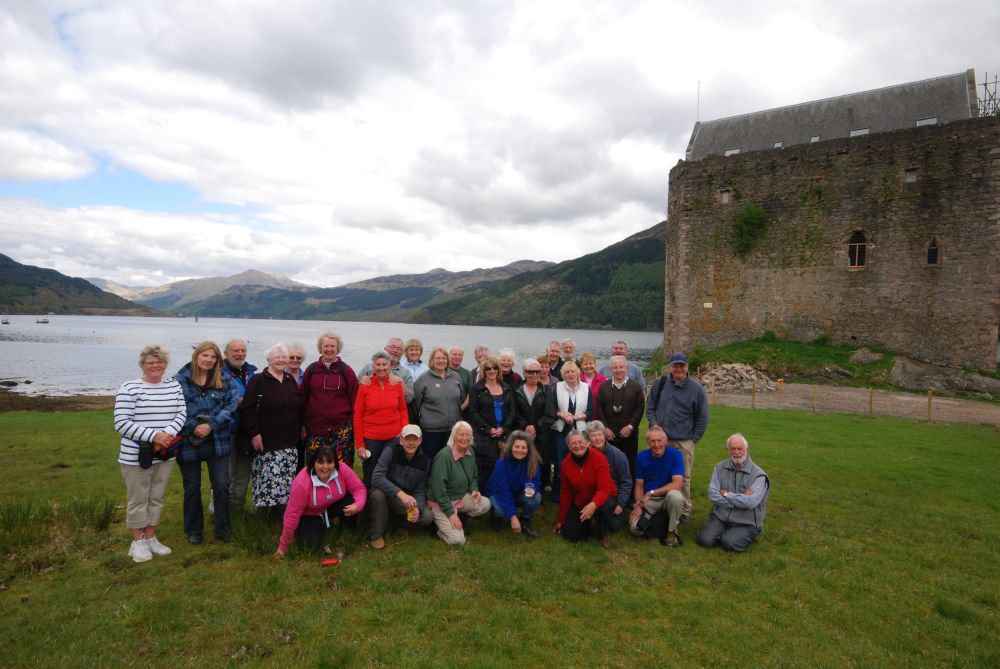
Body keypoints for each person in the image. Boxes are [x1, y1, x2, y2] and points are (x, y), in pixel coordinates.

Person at [114, 344, 186, 562]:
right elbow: (121, 423)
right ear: (143, 365)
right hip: (135, 456)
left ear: (165, 364)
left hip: (165, 454)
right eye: (150, 362)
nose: (155, 365)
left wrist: (167, 435)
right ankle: (138, 542)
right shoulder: (129, 388)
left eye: (159, 362)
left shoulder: (174, 386)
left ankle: (151, 537)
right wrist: (153, 436)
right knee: (138, 499)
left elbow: (181, 413)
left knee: (156, 497)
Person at [174, 341, 239, 545]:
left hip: (218, 438)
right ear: (196, 356)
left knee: (221, 485)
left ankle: (222, 528)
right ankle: (194, 529)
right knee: (192, 486)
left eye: (213, 357)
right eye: (205, 356)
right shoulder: (179, 380)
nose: (209, 360)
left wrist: (212, 425)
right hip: (188, 439)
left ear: (218, 360)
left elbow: (231, 405)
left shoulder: (224, 379)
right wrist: (194, 426)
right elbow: (175, 408)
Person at [240, 344, 303, 517]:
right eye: (277, 357)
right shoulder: (258, 380)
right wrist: (254, 433)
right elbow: (248, 409)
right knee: (267, 480)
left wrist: (302, 426)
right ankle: (262, 518)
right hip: (267, 440)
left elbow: (298, 406)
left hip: (289, 441)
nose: (281, 360)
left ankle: (281, 514)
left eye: (284, 357)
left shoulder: (290, 380)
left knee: (285, 479)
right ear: (269, 360)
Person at [645, 351, 709, 521]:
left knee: (683, 477)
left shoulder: (697, 389)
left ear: (687, 367)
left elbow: (702, 417)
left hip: (683, 441)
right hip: (660, 441)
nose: (679, 369)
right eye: (675, 365)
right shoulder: (661, 383)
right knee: (659, 473)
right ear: (670, 367)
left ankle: (684, 511)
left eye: (682, 365)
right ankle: (661, 505)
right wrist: (653, 425)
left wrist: (692, 440)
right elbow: (650, 407)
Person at [274, 443, 366, 557]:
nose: (325, 467)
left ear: (335, 463)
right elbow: (292, 514)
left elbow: (359, 489)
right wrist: (283, 547)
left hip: (330, 506)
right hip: (309, 513)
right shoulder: (301, 483)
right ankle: (301, 530)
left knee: (351, 500)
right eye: (320, 462)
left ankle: (348, 531)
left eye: (329, 462)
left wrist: (358, 505)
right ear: (313, 463)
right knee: (311, 547)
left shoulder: (342, 469)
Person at [697, 433, 770, 553]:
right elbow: (713, 495)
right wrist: (741, 499)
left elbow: (750, 503)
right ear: (728, 450)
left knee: (728, 543)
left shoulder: (759, 476)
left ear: (747, 449)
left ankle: (745, 535)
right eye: (733, 449)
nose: (736, 452)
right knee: (705, 540)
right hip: (721, 517)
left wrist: (726, 494)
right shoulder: (719, 467)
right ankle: (725, 533)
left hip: (746, 522)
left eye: (739, 448)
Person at [368, 424, 434, 550]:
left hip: (404, 500)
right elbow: (376, 477)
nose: (411, 443)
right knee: (377, 495)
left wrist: (418, 508)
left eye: (414, 439)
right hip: (386, 493)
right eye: (407, 439)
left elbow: (420, 489)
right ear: (401, 440)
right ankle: (376, 535)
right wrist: (400, 493)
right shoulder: (390, 451)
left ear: (420, 441)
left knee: (427, 517)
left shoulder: (425, 461)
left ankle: (394, 523)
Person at [427, 421, 492, 545]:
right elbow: (438, 490)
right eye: (461, 434)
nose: (465, 438)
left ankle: (459, 519)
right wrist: (451, 513)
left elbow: (473, 476)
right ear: (453, 436)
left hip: (459, 498)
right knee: (458, 541)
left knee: (485, 504)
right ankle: (440, 530)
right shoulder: (444, 456)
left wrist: (474, 490)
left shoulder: (470, 452)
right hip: (441, 502)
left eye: (468, 435)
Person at [301, 332, 359, 466]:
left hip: (341, 428)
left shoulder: (346, 371)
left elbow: (354, 399)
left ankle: (342, 488)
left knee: (342, 467)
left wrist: (354, 425)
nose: (329, 349)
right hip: (315, 428)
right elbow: (303, 399)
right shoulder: (311, 370)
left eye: (332, 346)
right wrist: (302, 424)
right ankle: (316, 488)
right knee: (316, 465)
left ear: (338, 348)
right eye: (325, 346)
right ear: (320, 348)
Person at [353, 351, 408, 487]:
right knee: (370, 472)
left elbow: (403, 410)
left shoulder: (396, 383)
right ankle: (368, 503)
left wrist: (404, 433)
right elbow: (358, 414)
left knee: (391, 471)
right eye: (378, 364)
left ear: (389, 365)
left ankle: (391, 502)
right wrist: (360, 444)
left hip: (393, 436)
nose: (381, 368)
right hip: (371, 437)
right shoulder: (365, 385)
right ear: (373, 366)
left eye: (384, 364)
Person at [554, 430, 616, 547]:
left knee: (604, 508)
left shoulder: (599, 458)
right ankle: (588, 523)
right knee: (569, 535)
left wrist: (593, 504)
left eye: (580, 442)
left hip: (604, 497)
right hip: (581, 500)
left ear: (588, 443)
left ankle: (603, 533)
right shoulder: (566, 463)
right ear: (568, 446)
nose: (577, 446)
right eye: (573, 443)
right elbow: (565, 493)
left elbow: (604, 489)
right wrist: (561, 520)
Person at [629, 426, 685, 547]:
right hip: (650, 500)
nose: (656, 444)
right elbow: (639, 485)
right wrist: (638, 505)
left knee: (676, 496)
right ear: (648, 442)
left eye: (659, 440)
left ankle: (671, 532)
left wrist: (651, 492)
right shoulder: (641, 457)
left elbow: (677, 484)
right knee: (635, 529)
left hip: (667, 496)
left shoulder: (676, 455)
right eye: (652, 441)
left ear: (665, 440)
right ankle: (661, 522)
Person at [468, 356, 517, 487]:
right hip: (484, 435)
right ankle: (482, 497)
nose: (491, 371)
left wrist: (504, 428)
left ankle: (499, 495)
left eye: (494, 368)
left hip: (503, 434)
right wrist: (488, 429)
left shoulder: (507, 388)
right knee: (485, 469)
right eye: (488, 368)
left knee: (503, 466)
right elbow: (473, 412)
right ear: (484, 370)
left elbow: (512, 411)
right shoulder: (476, 389)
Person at [412, 346, 467, 462]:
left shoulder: (455, 377)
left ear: (447, 360)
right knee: (431, 462)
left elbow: (460, 398)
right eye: (437, 358)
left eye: (444, 358)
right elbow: (416, 405)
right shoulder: (423, 379)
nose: (441, 361)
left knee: (451, 461)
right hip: (431, 432)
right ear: (432, 360)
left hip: (452, 430)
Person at [485, 431, 543, 539]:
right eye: (517, 446)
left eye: (523, 447)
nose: (519, 450)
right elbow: (502, 491)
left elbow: (536, 480)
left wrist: (532, 488)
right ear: (511, 447)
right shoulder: (501, 462)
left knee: (537, 497)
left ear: (528, 449)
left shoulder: (532, 461)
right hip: (497, 493)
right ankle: (496, 517)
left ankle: (525, 521)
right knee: (501, 511)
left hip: (517, 492)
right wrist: (512, 516)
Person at [595, 355, 645, 477]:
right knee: (608, 465)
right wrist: (605, 428)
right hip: (609, 434)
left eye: (621, 367)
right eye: (615, 367)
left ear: (626, 368)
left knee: (629, 464)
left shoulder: (636, 387)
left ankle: (629, 493)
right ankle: (611, 492)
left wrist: (631, 426)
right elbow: (599, 408)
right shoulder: (604, 386)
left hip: (629, 434)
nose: (618, 370)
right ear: (611, 369)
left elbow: (640, 408)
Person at [550, 360, 593, 502]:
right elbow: (552, 408)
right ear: (563, 374)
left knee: (579, 461)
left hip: (580, 431)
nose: (570, 374)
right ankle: (558, 494)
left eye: (572, 371)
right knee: (560, 462)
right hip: (561, 430)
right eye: (567, 372)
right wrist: (562, 414)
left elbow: (590, 411)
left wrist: (575, 417)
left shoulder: (586, 388)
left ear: (578, 373)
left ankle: (578, 493)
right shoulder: (557, 387)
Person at [223, 338, 257, 514]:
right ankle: (219, 511)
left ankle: (236, 510)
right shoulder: (218, 373)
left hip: (247, 430)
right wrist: (239, 402)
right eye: (235, 350)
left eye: (243, 350)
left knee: (244, 472)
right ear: (226, 353)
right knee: (225, 474)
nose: (240, 354)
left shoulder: (250, 372)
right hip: (226, 430)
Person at [515, 358, 556, 492]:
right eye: (530, 372)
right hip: (523, 433)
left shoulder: (547, 390)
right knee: (525, 461)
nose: (534, 375)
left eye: (537, 372)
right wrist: (526, 426)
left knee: (543, 460)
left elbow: (550, 413)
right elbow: (515, 413)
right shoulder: (517, 391)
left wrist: (535, 427)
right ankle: (524, 486)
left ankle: (544, 486)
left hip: (543, 433)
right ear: (524, 373)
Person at [586, 421, 632, 534]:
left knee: (614, 527)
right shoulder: (584, 454)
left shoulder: (618, 456)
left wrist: (621, 504)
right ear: (588, 438)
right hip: (590, 490)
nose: (597, 438)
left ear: (604, 435)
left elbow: (626, 482)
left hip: (611, 494)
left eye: (599, 435)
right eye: (593, 435)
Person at [359, 337, 415, 403]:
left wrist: (401, 383)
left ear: (402, 352)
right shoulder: (369, 367)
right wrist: (361, 382)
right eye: (392, 347)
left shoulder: (406, 373)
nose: (395, 351)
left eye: (399, 348)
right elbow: (355, 388)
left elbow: (409, 399)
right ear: (385, 349)